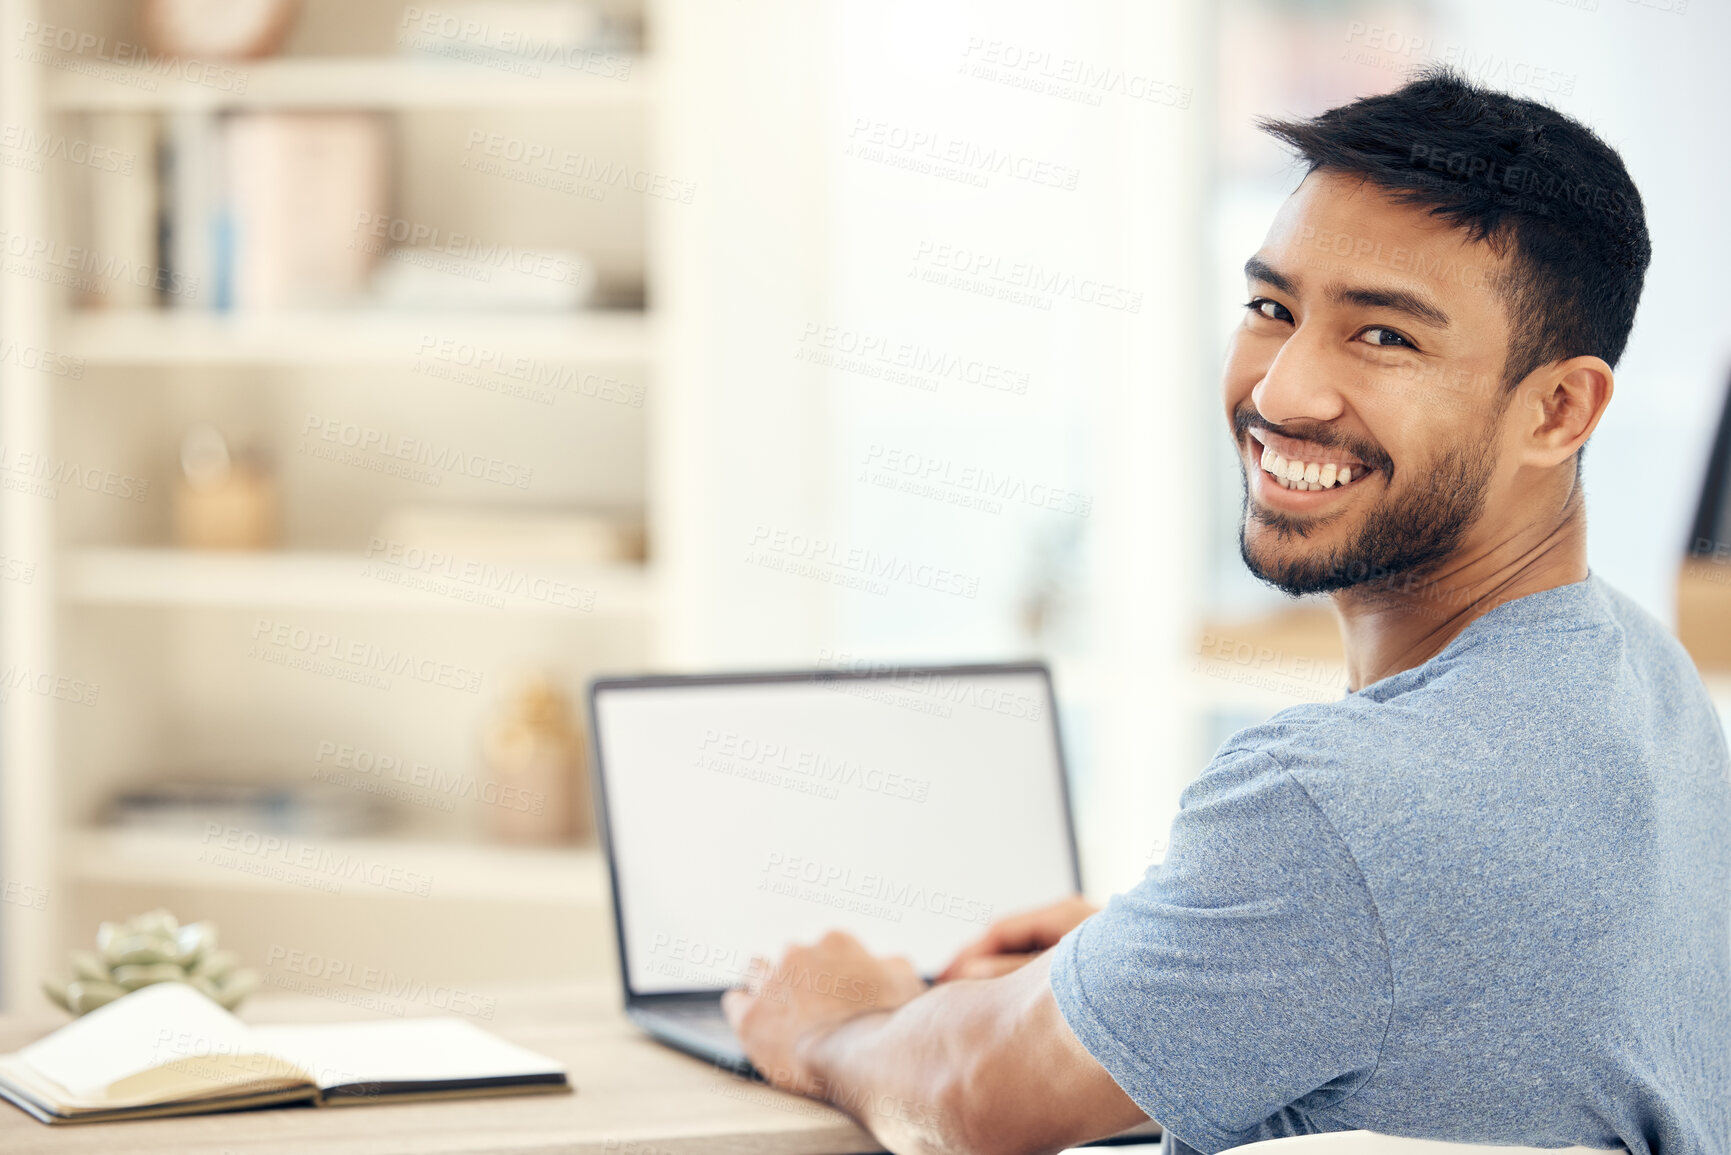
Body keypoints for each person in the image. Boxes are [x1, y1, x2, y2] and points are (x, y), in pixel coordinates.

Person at [722, 67, 1730, 1155]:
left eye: (1385, 336)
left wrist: (838, 1019)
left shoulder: (1339, 805)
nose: (1285, 391)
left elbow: (972, 1096)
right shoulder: (1644, 679)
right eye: (1271, 309)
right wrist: (1165, 963)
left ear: (1559, 409)